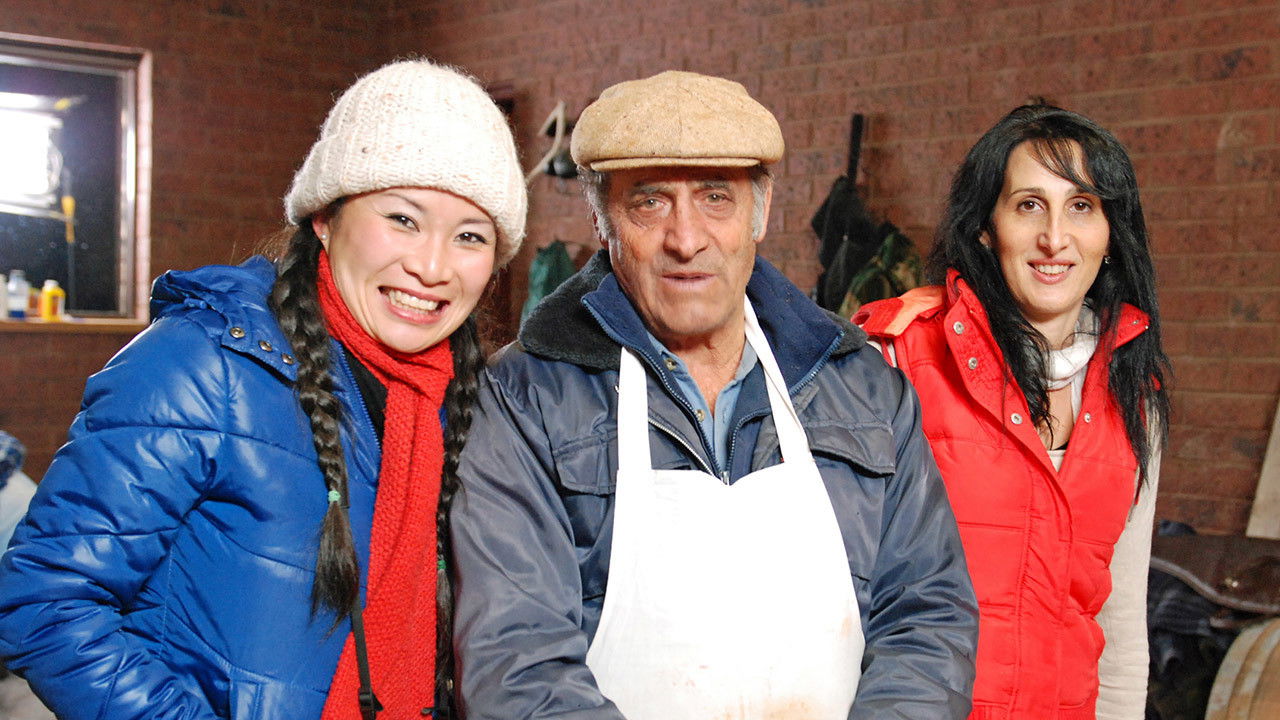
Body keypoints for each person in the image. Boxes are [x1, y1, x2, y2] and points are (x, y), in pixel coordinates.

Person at [0, 59, 526, 720]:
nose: (431, 265)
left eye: (470, 236)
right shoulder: (202, 366)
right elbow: (47, 599)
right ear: (325, 220)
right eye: (403, 218)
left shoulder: (467, 405)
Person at [450, 70, 977, 720]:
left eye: (715, 198)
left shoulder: (861, 387)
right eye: (648, 202)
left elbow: (927, 614)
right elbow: (517, 663)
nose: (686, 238)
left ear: (760, 210)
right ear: (601, 215)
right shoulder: (525, 399)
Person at [855, 103, 1170, 720]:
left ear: (1111, 235)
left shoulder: (1137, 396)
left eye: (1082, 206)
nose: (1055, 238)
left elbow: (1120, 623)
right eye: (1029, 205)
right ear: (984, 227)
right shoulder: (898, 358)